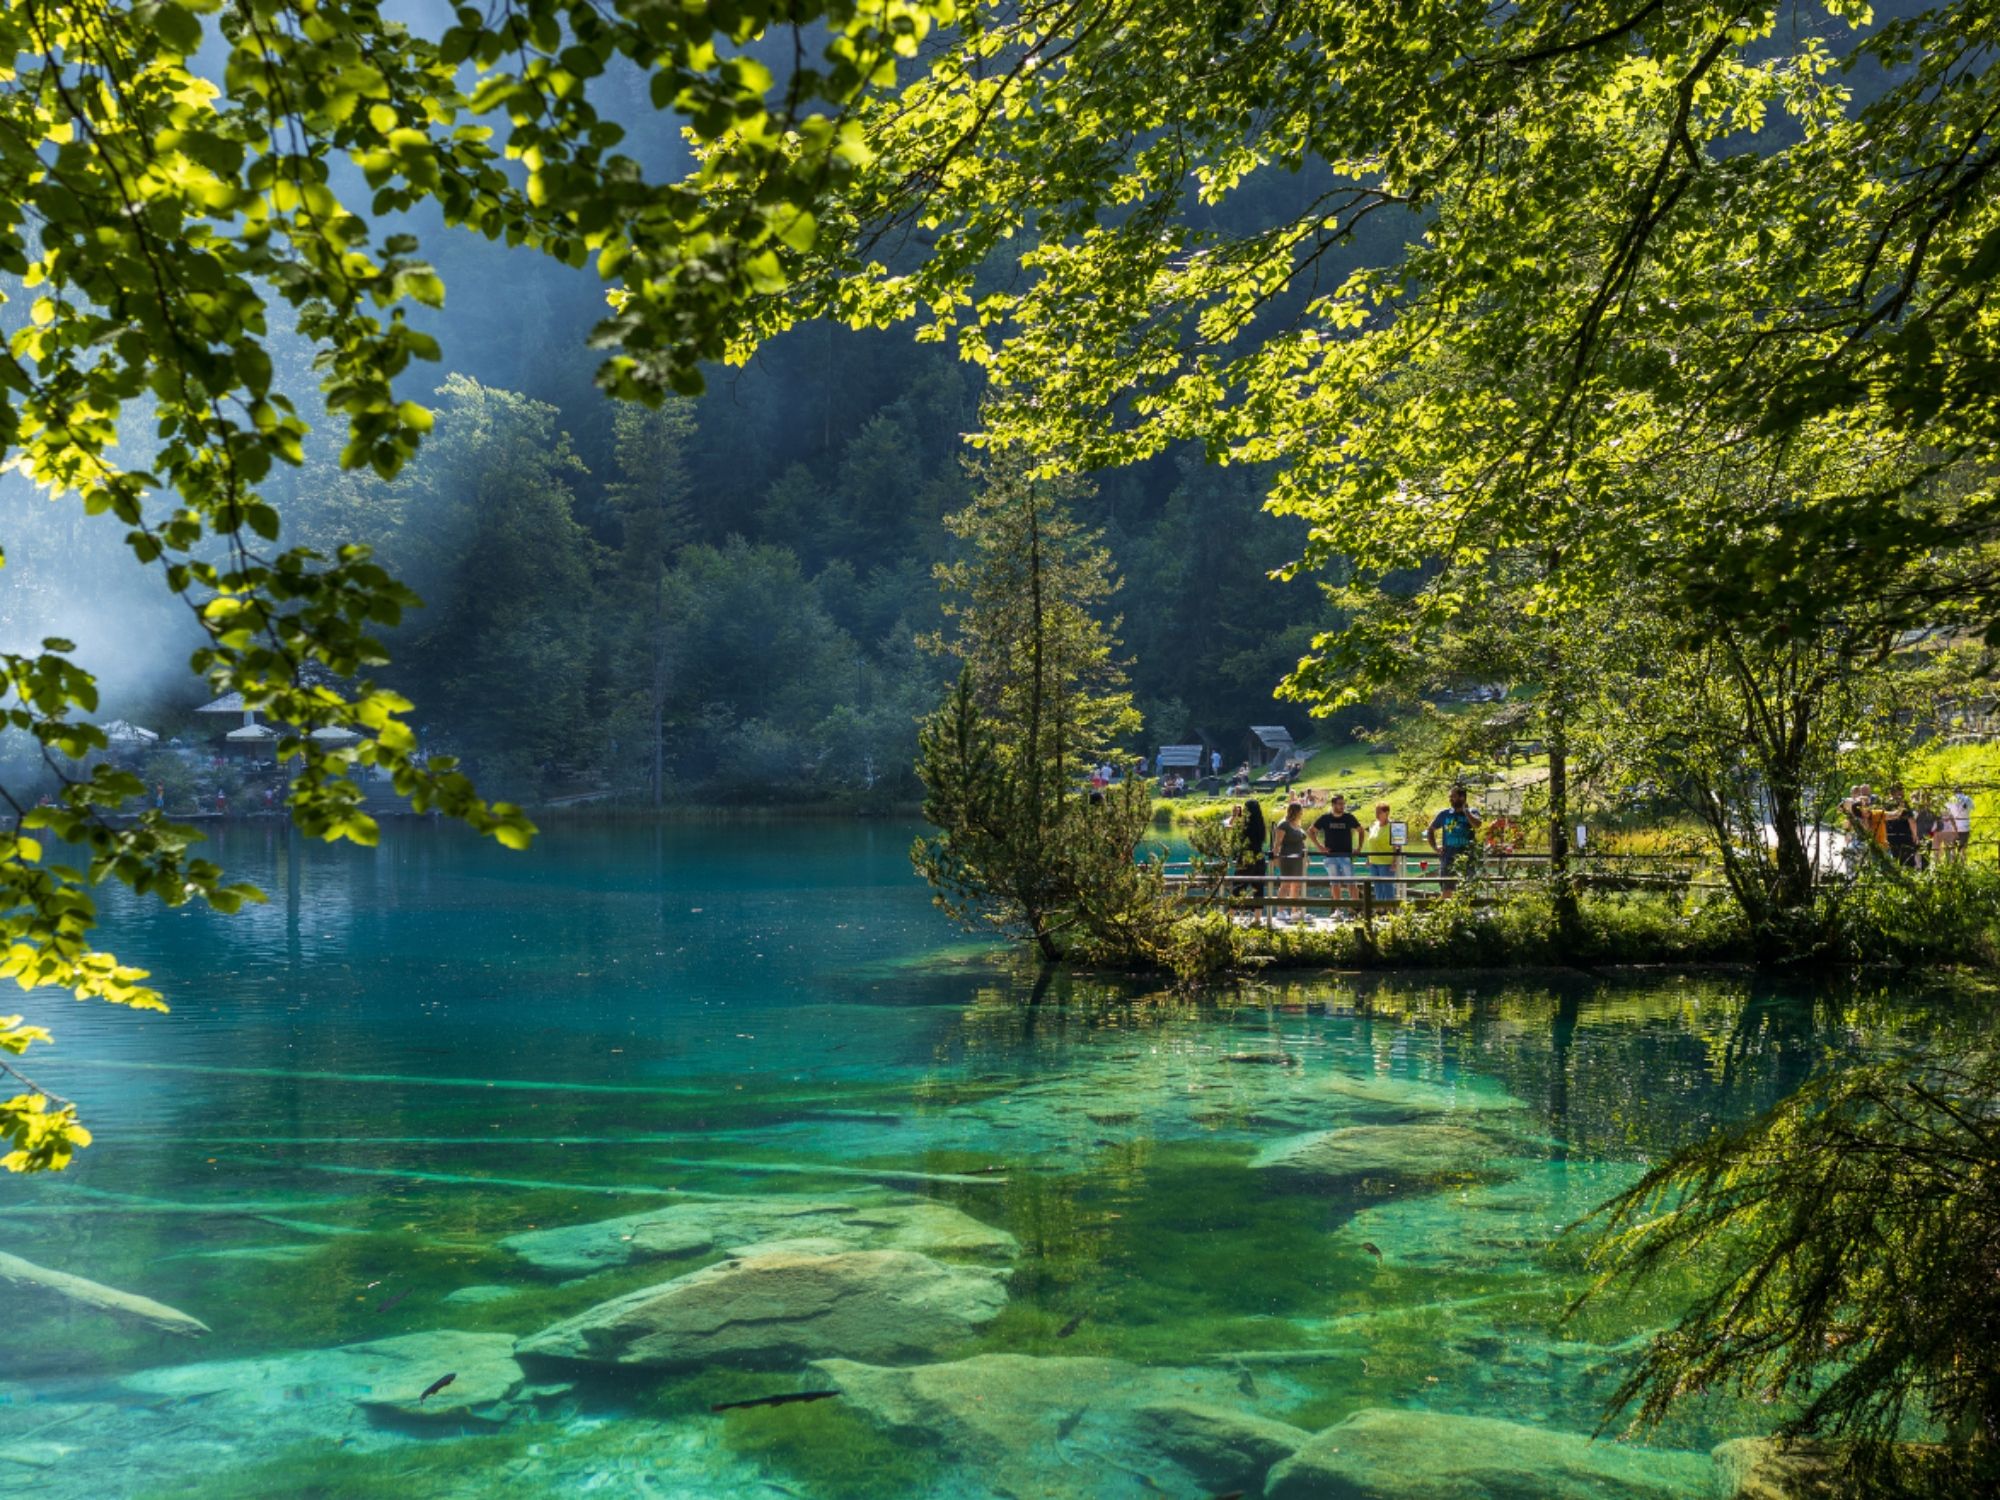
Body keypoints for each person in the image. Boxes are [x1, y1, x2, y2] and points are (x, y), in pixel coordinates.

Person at [1427, 786, 1482, 896]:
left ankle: (1465, 913)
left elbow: (1477, 825)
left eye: (1453, 797)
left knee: (1467, 891)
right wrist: (1435, 848)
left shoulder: (1473, 812)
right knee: (1447, 891)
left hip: (1467, 859)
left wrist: (1466, 812)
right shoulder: (1445, 814)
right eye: (1450, 797)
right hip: (1448, 859)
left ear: (1462, 798)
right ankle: (1446, 912)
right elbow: (1430, 830)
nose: (1450, 799)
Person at [1311, 793, 1363, 904]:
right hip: (1330, 856)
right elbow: (1311, 831)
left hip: (1346, 856)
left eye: (1343, 804)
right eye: (1340, 804)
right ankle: (1337, 909)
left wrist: (1359, 847)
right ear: (1333, 805)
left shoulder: (1349, 817)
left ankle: (1356, 909)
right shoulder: (1325, 818)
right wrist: (1319, 847)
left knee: (1351, 883)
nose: (1342, 806)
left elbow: (1361, 830)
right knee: (1334, 883)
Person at [1271, 801, 1310, 920]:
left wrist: (1306, 857)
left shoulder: (1297, 824)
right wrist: (1275, 857)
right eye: (1300, 811)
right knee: (1285, 884)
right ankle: (1280, 911)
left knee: (1296, 885)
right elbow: (1277, 843)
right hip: (1287, 858)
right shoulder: (1284, 824)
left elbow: (1302, 842)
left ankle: (1295, 911)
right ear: (1295, 811)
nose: (1302, 813)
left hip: (1299, 859)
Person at [1362, 802, 1401, 903]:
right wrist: (1368, 859)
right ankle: (1380, 910)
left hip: (1386, 863)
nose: (1377, 814)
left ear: (1387, 813)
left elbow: (1397, 846)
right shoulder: (1374, 825)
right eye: (1376, 812)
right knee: (1377, 888)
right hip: (1373, 862)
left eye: (1379, 812)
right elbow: (1371, 843)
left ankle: (1389, 911)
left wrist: (1395, 861)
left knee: (1387, 888)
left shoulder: (1393, 826)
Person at [1235, 799, 1268, 911]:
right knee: (1258, 888)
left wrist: (1236, 817)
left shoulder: (1245, 825)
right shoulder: (1261, 825)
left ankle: (1230, 916)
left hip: (1246, 856)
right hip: (1259, 856)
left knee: (1238, 886)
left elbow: (1238, 838)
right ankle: (1257, 919)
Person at [1882, 784, 1919, 869]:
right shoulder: (1903, 804)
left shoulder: (1886, 804)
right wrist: (1915, 835)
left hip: (1890, 836)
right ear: (1898, 791)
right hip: (1904, 836)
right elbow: (1911, 820)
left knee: (1893, 862)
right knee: (1907, 862)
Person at [1951, 787, 1974, 856]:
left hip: (1954, 826)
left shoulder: (1952, 799)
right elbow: (1973, 808)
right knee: (1963, 847)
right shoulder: (1968, 799)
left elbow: (1948, 811)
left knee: (1953, 846)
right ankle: (1963, 863)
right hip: (1965, 825)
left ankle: (1953, 862)